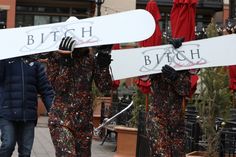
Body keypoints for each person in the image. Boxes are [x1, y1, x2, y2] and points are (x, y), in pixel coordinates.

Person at [47, 36, 112, 157]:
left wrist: (103, 65)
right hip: (61, 119)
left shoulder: (90, 59)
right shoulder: (55, 57)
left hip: (84, 122)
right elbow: (59, 88)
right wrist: (65, 61)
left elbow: (105, 88)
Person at [0, 56, 55, 157]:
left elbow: (46, 89)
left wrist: (53, 111)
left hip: (28, 115)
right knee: (8, 145)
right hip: (7, 113)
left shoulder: (35, 63)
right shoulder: (4, 60)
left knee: (26, 152)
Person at [146, 38, 191, 157]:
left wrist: (176, 78)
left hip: (177, 122)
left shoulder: (183, 67)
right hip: (157, 118)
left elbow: (186, 90)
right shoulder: (154, 63)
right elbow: (143, 77)